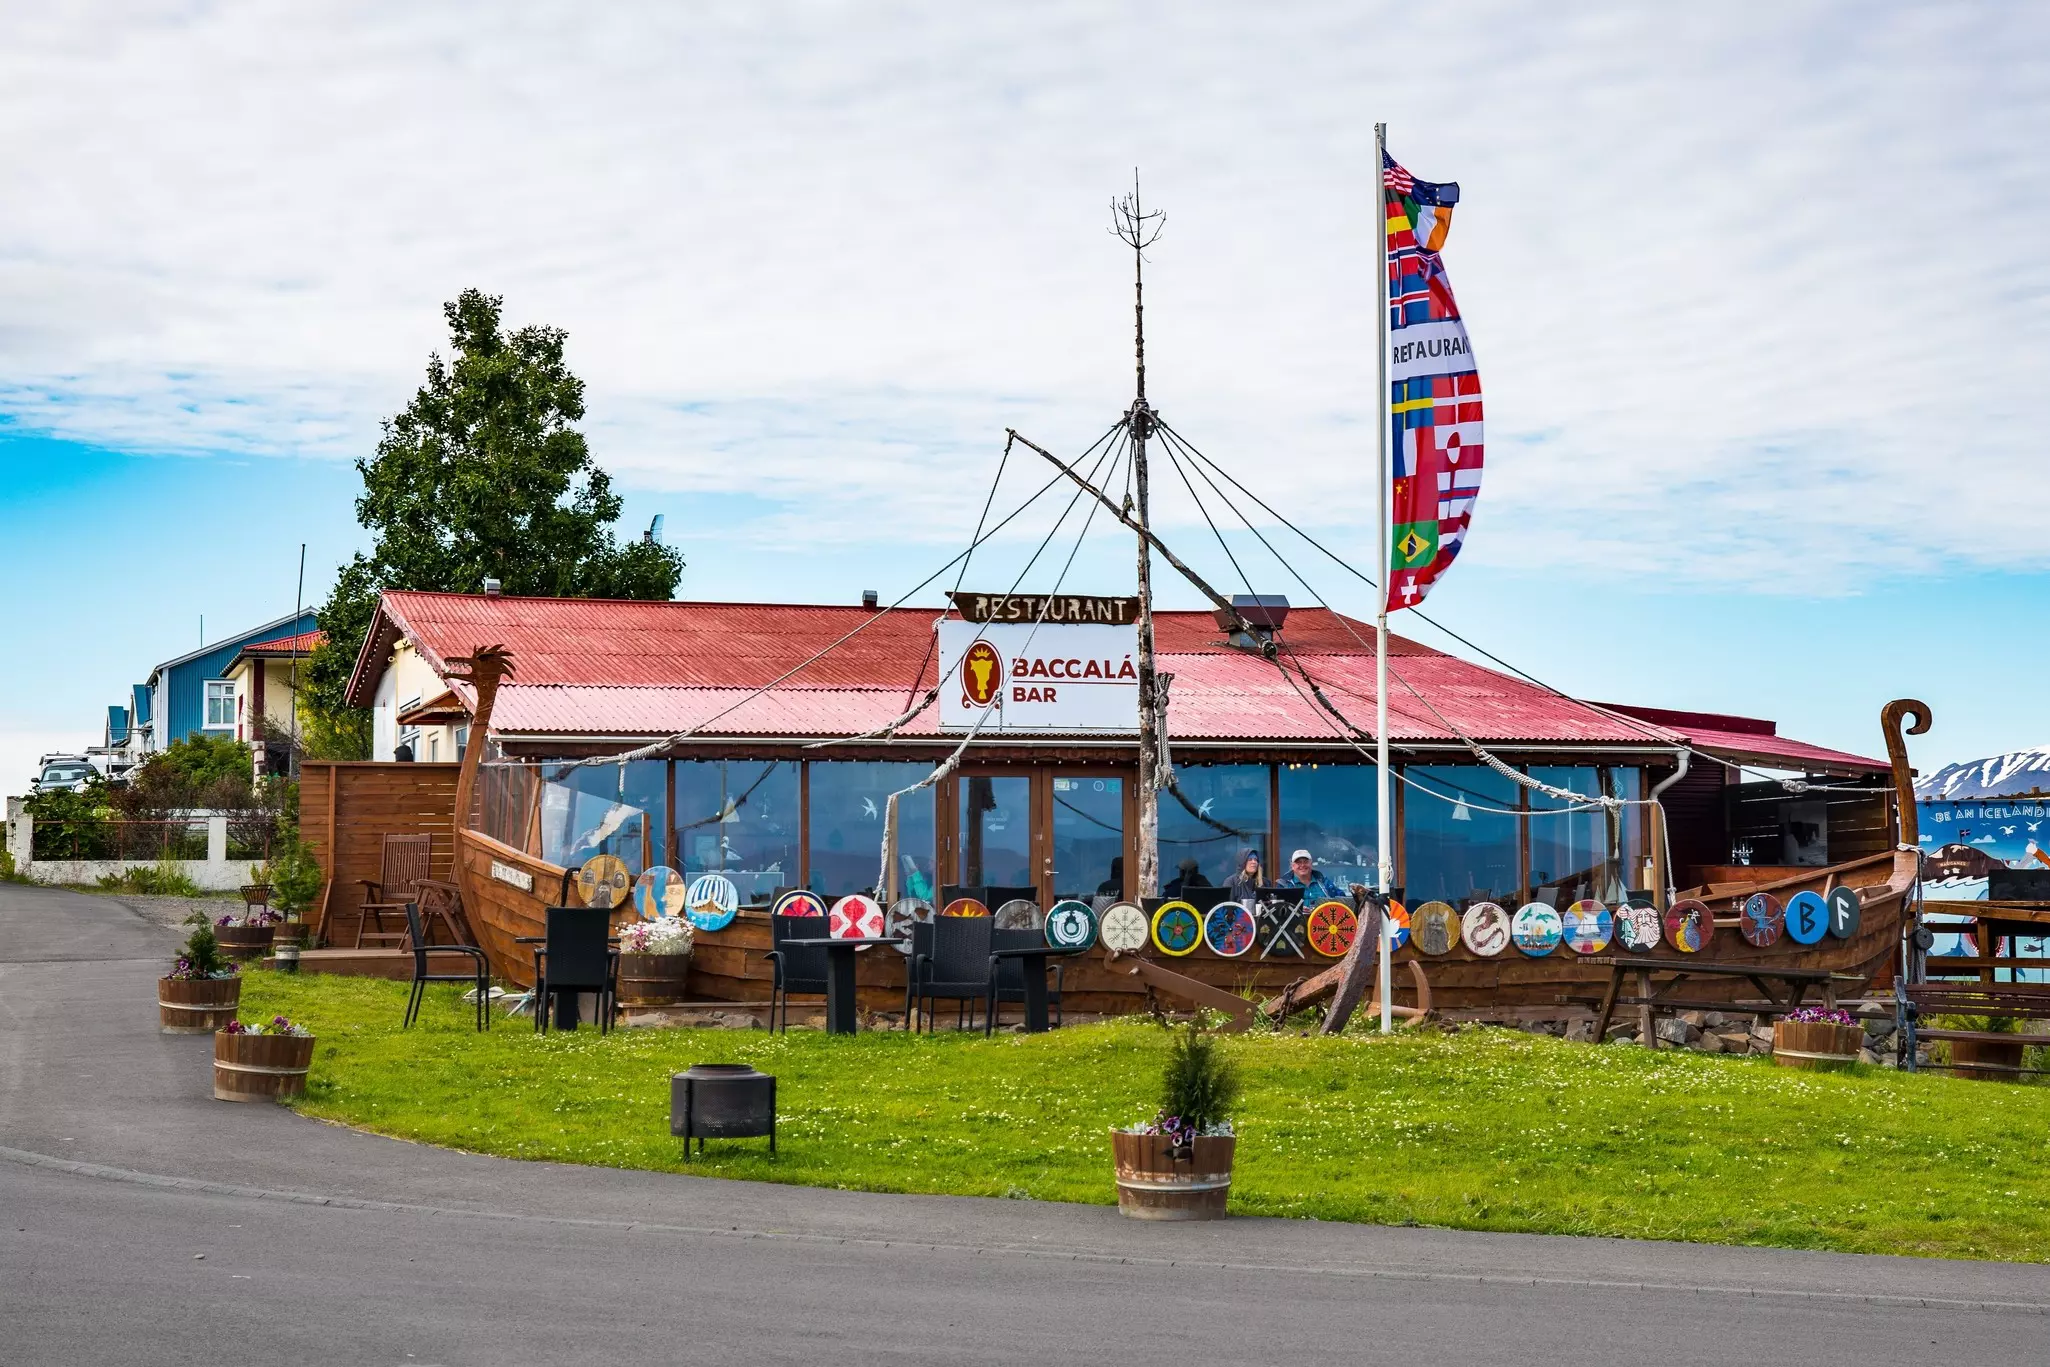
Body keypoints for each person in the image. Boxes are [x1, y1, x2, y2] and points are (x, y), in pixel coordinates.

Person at [1279, 848, 1345, 903]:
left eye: (1305, 862)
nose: (1302, 865)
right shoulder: (1284, 885)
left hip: (1323, 918)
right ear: (1292, 866)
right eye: (1298, 862)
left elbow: (1342, 900)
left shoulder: (1324, 882)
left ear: (1311, 864)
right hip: (1297, 918)